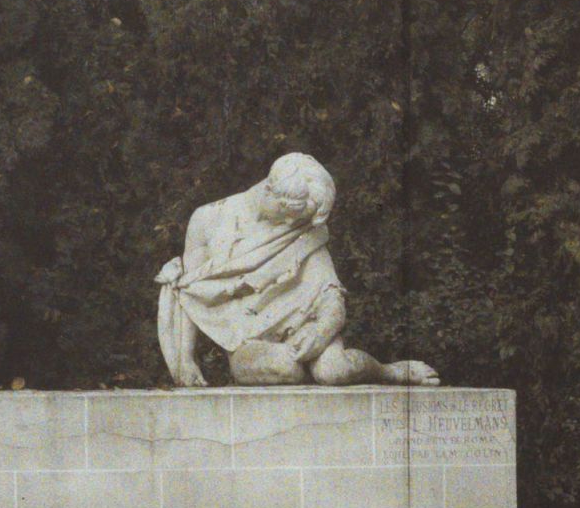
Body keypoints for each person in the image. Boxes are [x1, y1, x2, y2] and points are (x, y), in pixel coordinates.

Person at [155, 152, 441, 387]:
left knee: (334, 370)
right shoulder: (208, 220)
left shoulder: (303, 227)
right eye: (290, 215)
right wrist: (185, 360)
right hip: (250, 338)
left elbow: (331, 296)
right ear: (270, 191)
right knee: (285, 368)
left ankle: (387, 371)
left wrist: (320, 330)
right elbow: (190, 292)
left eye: (299, 219)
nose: (294, 225)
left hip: (306, 326)